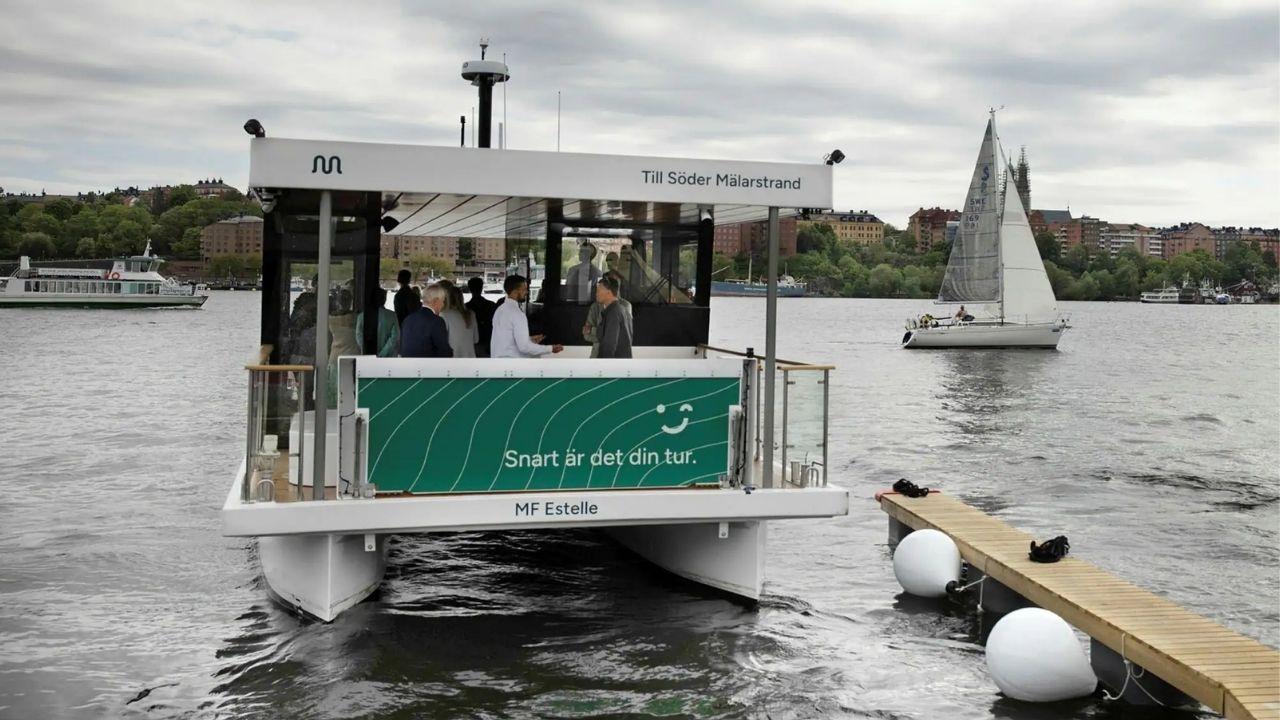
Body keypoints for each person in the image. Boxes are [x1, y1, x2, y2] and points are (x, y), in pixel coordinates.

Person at [491, 274, 563, 358]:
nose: (526, 292)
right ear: (515, 291)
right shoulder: (517, 314)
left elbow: (507, 339)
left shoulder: (500, 310)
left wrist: (529, 340)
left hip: (497, 362)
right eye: (524, 289)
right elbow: (524, 347)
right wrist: (550, 349)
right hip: (511, 365)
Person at [583, 270, 632, 357]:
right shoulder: (595, 306)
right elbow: (586, 335)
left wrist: (593, 330)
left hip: (615, 359)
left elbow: (618, 335)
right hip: (597, 355)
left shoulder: (625, 306)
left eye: (615, 281)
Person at [401, 283, 453, 358]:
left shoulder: (408, 319)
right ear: (436, 301)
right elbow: (445, 352)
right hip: (428, 367)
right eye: (443, 301)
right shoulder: (437, 321)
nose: (443, 305)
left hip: (408, 367)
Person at [439, 281, 479, 359]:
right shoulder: (471, 314)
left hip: (453, 358)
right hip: (470, 358)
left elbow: (442, 342)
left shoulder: (444, 314)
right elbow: (476, 339)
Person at [356, 287, 399, 357]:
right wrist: (382, 353)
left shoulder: (361, 316)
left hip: (367, 358)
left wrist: (368, 350)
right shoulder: (392, 316)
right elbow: (394, 338)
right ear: (384, 299)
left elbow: (359, 336)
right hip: (388, 358)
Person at [465, 277, 496, 356]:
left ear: (469, 289)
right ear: (482, 288)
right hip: (489, 341)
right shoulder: (491, 305)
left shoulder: (465, 308)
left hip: (471, 343)